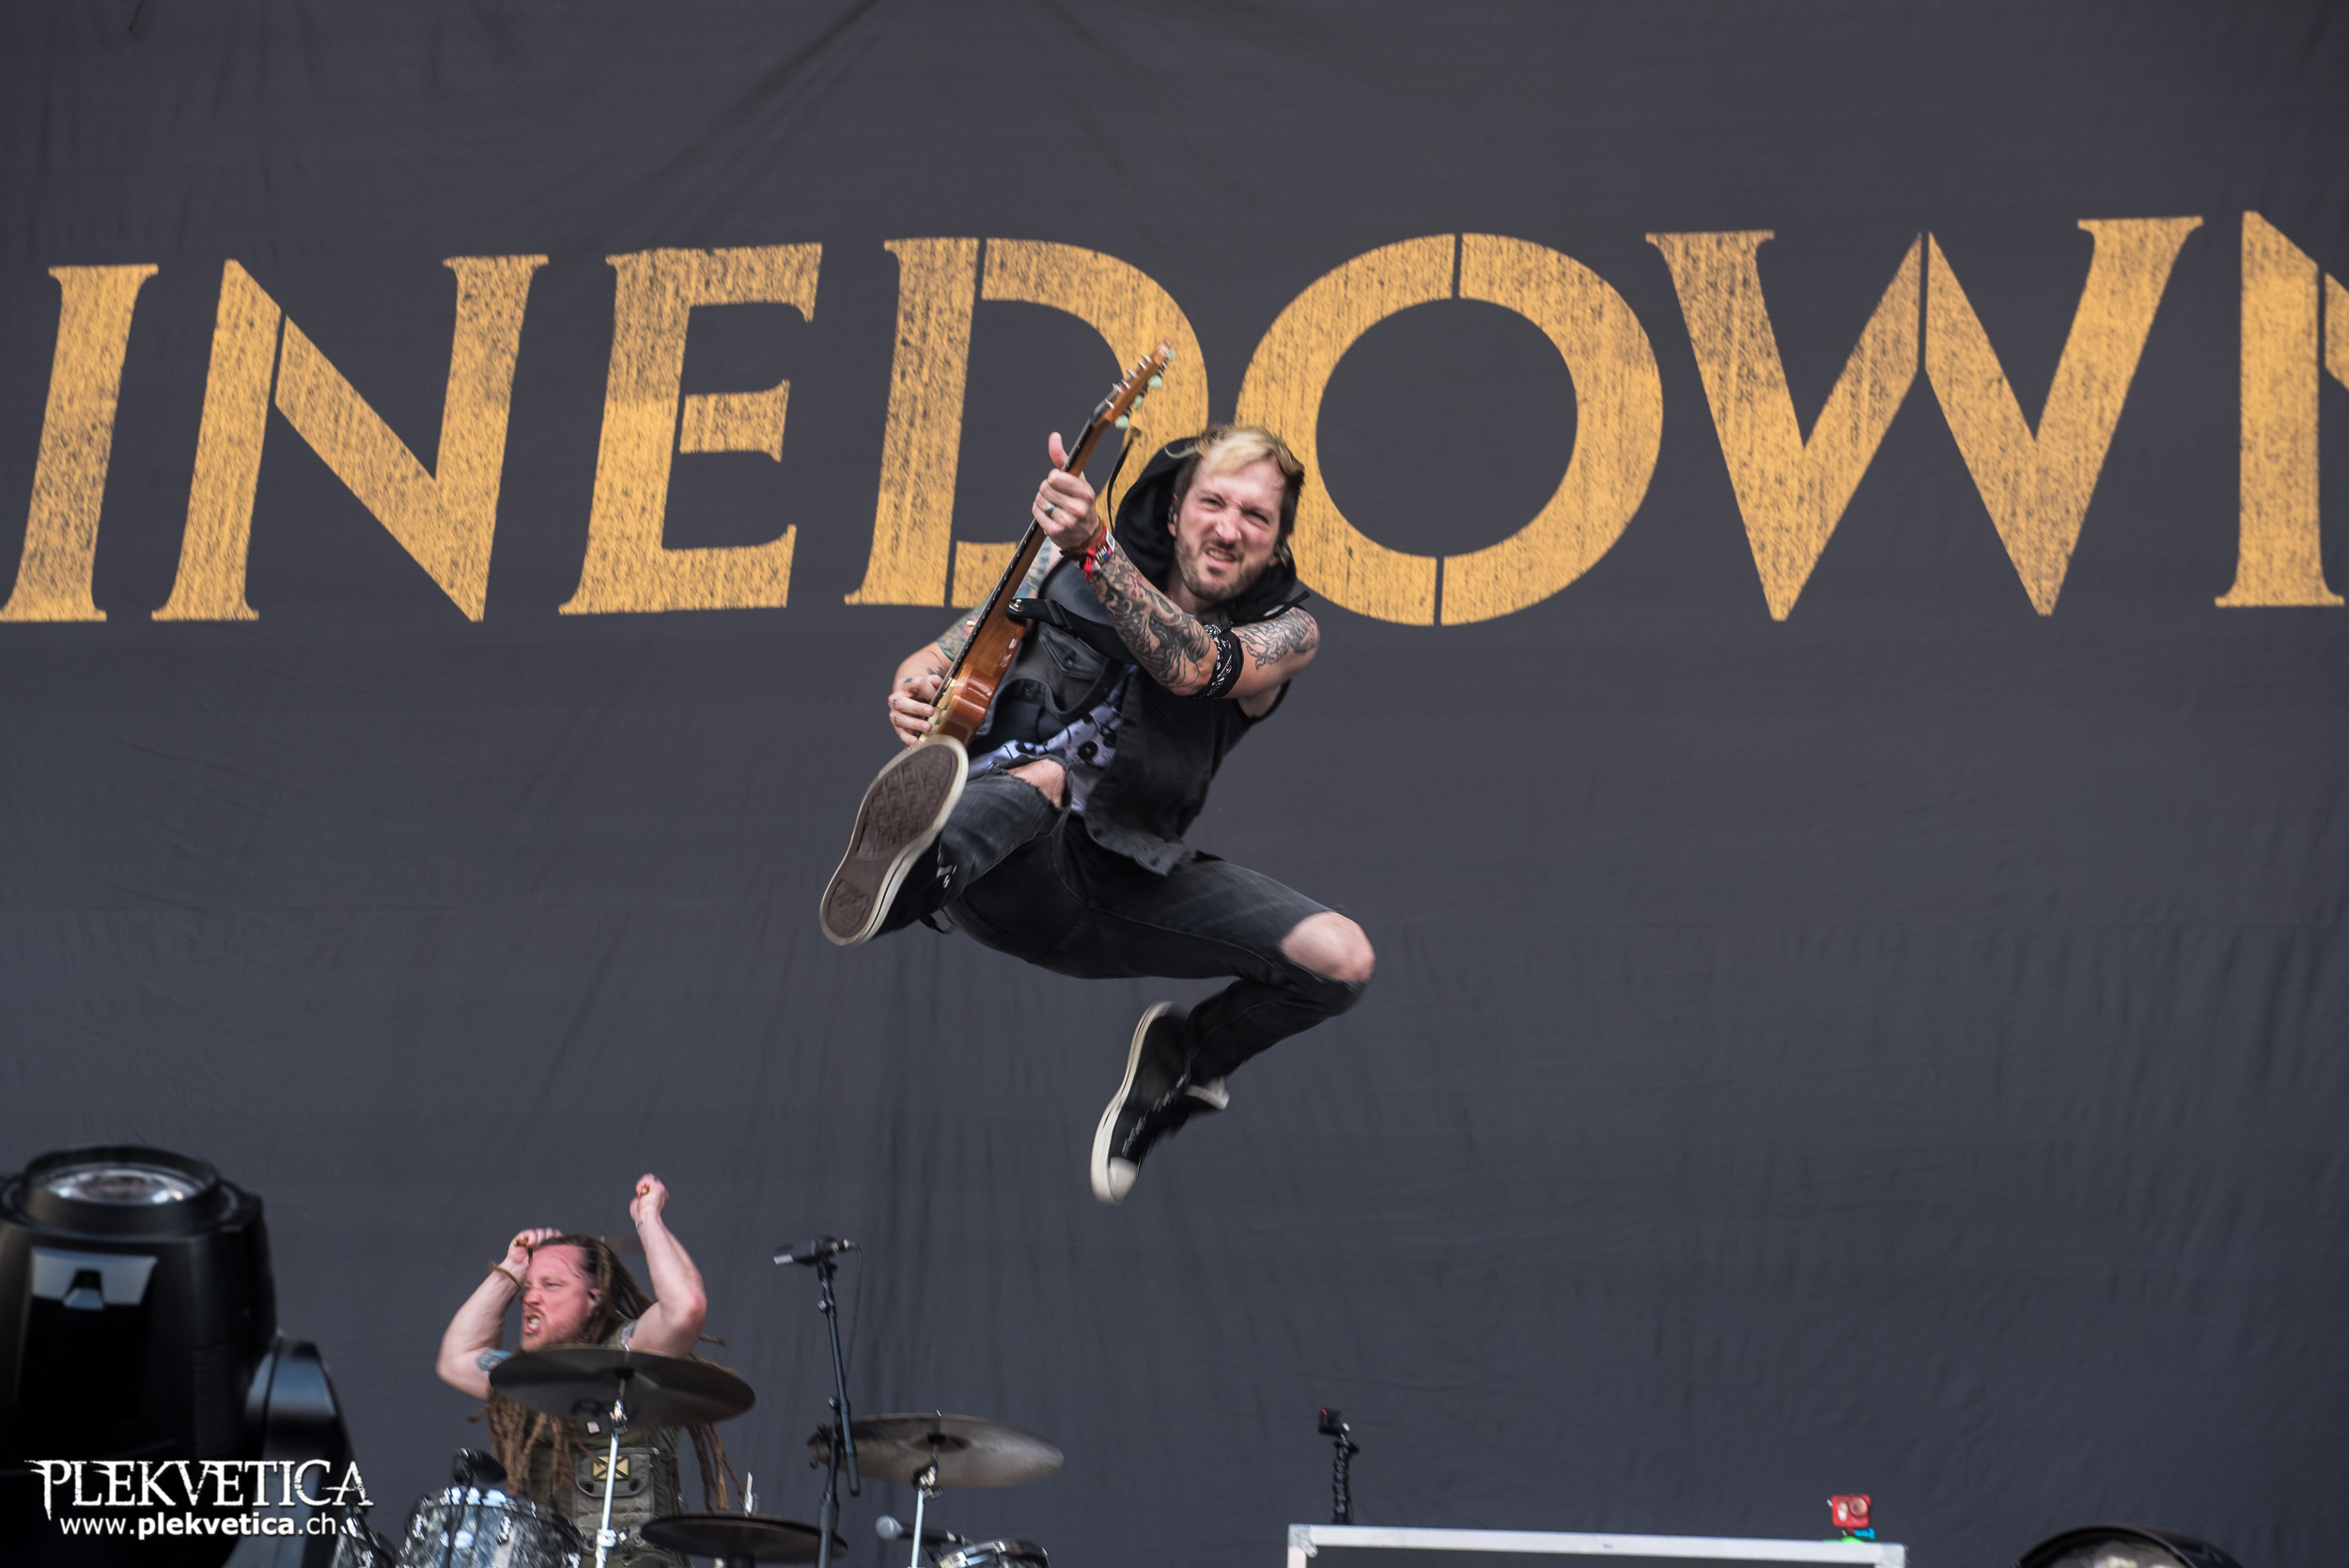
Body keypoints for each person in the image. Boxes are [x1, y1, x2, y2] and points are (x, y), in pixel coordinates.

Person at [819, 425, 1376, 1203]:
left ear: (1277, 540)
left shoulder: (1289, 631)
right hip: (1001, 860)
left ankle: (1184, 1061)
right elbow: (937, 659)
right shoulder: (1054, 569)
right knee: (1045, 775)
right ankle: (910, 873)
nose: (1229, 527)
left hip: (1125, 875)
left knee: (1343, 957)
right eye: (1214, 502)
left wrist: (1097, 549)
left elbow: (1193, 666)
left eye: (1256, 515)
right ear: (1175, 511)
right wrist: (915, 691)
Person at [434, 1174, 729, 1568]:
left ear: (594, 1298)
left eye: (551, 1285)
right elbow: (458, 1357)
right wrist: (512, 1268)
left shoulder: (631, 1355)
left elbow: (686, 1308)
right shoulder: (529, 1378)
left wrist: (648, 1218)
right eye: (528, 1288)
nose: (531, 1298)